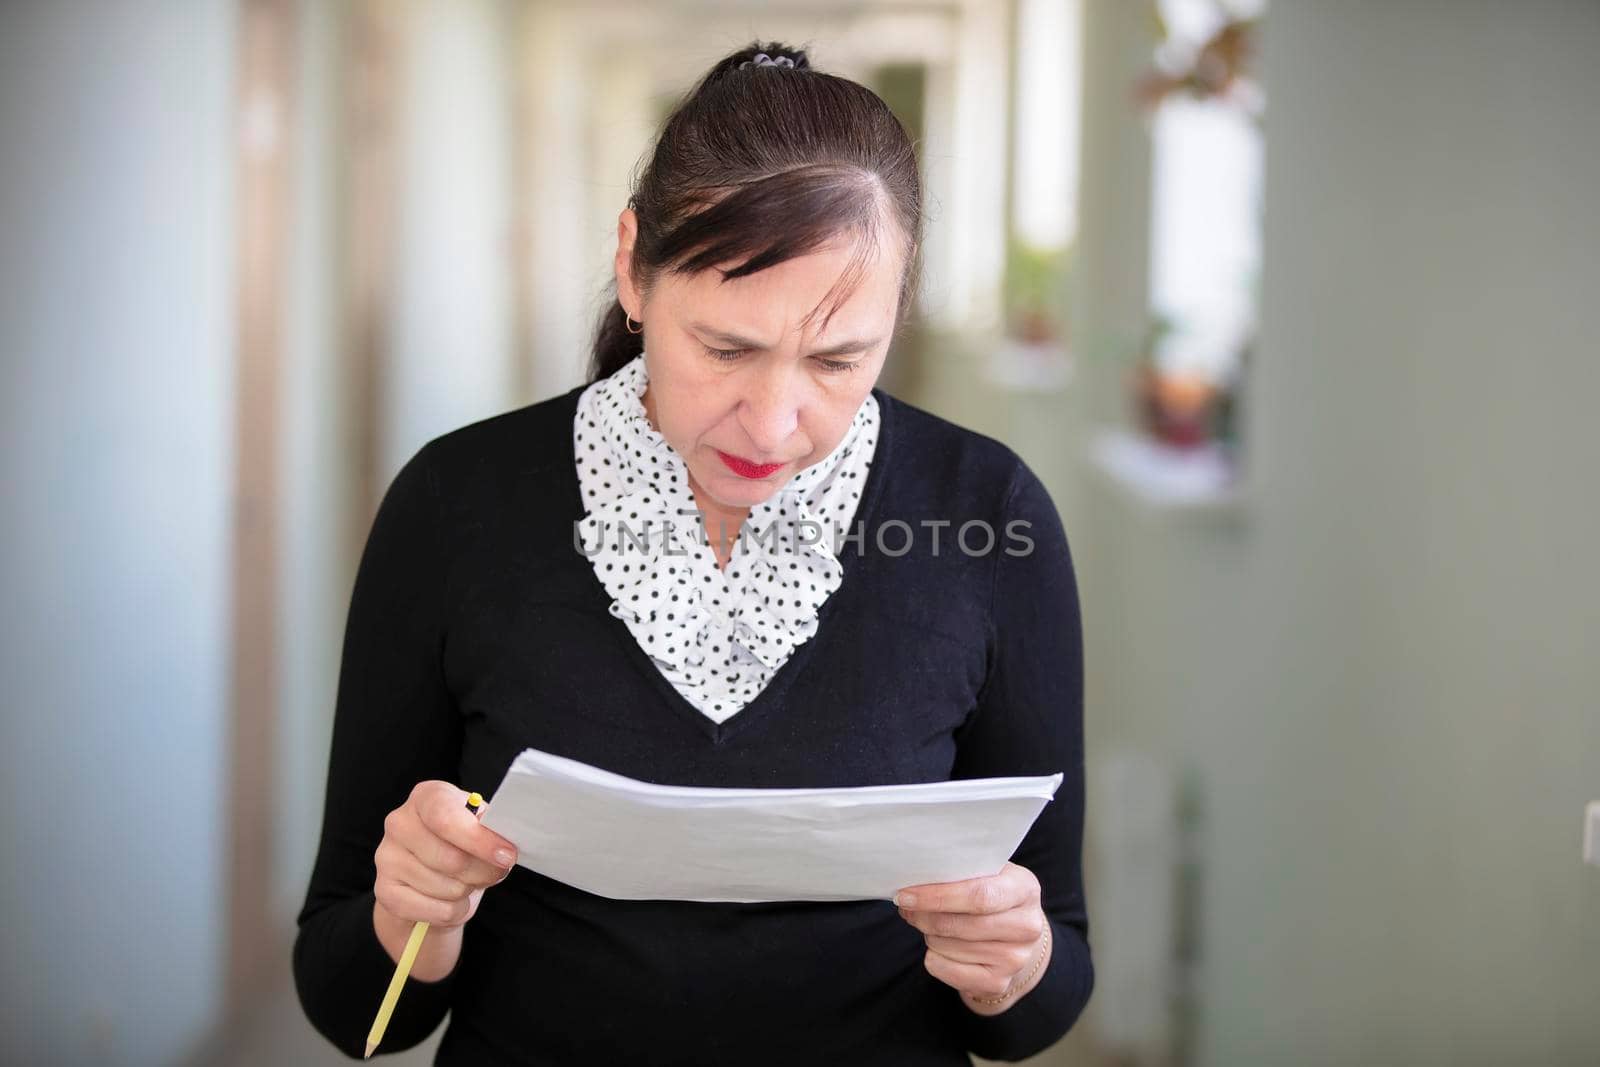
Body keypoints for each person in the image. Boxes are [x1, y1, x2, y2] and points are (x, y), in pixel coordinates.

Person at [293, 40, 1092, 1066]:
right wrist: (414, 918)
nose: (772, 422)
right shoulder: (458, 505)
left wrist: (1015, 960)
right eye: (724, 348)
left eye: (839, 358)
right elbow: (351, 1008)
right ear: (633, 268)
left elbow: (1047, 1000)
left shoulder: (989, 514)